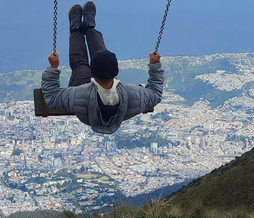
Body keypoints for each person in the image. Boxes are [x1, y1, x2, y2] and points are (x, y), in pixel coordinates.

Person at [41, 1, 164, 134]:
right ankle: (87, 28)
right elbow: (155, 94)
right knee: (94, 59)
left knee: (82, 64)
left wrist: (54, 68)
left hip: (83, 91)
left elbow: (52, 98)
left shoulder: (78, 94)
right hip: (87, 99)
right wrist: (155, 65)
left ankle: (79, 29)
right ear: (116, 72)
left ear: (92, 72)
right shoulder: (131, 94)